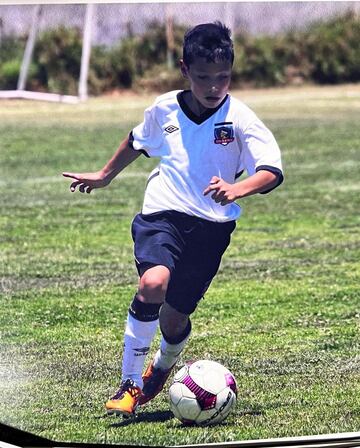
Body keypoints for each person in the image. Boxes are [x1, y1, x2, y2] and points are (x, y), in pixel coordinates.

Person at [63, 21, 283, 418]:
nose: (214, 86)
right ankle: (129, 382)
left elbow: (271, 170)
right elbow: (137, 140)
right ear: (185, 69)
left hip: (211, 227)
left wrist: (238, 189)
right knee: (153, 283)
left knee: (175, 316)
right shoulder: (164, 107)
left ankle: (161, 368)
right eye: (203, 78)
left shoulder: (241, 118)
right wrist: (105, 174)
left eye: (223, 77)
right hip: (162, 212)